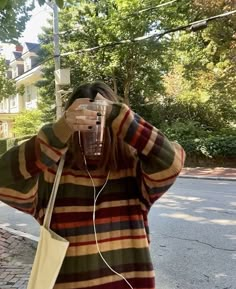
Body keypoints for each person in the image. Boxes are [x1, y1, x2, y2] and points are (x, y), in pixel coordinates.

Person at [0, 81, 185, 289]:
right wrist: (58, 131)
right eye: (80, 123)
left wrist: (117, 115)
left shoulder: (133, 171)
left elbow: (172, 162)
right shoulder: (51, 176)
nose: (91, 130)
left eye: (100, 122)